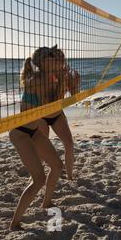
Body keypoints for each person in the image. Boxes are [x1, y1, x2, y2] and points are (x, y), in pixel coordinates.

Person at [8, 46, 63, 230]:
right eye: (52, 57)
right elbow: (51, 102)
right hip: (21, 133)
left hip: (34, 132)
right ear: (42, 62)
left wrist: (62, 77)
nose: (56, 59)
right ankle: (14, 224)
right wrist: (60, 77)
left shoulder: (47, 78)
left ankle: (46, 203)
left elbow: (55, 105)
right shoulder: (37, 79)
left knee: (56, 166)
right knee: (38, 179)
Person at [38, 46, 80, 180]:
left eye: (63, 59)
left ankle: (69, 176)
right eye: (58, 59)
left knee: (69, 143)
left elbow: (74, 96)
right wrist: (62, 79)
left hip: (57, 115)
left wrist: (75, 82)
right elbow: (52, 98)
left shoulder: (65, 74)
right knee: (41, 148)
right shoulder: (43, 77)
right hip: (40, 116)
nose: (62, 61)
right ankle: (37, 175)